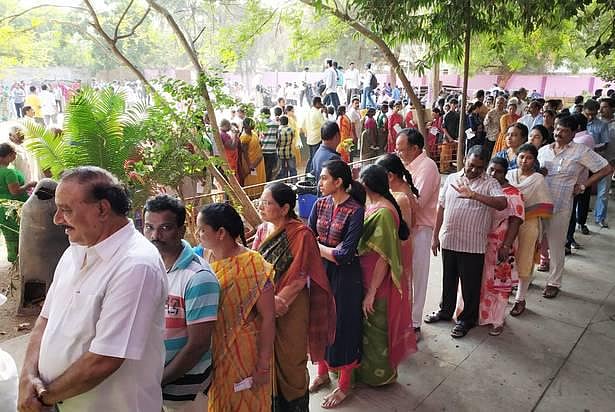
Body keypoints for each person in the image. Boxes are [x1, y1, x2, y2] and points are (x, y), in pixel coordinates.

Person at [18, 166, 167, 411]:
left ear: (102, 209)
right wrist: (27, 379)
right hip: (61, 403)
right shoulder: (73, 252)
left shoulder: (136, 265)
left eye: (66, 210)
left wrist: (43, 398)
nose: (57, 219)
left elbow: (105, 359)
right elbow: (44, 320)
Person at [252, 183, 336, 412]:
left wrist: (277, 303)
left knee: (292, 359)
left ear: (285, 208)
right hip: (266, 304)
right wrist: (266, 304)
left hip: (291, 306)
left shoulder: (301, 234)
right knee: (266, 356)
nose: (261, 207)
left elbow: (300, 277)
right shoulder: (262, 230)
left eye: (267, 203)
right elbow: (254, 267)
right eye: (260, 201)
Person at [144, 195, 219, 412]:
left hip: (184, 393)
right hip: (151, 387)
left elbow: (198, 345)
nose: (155, 236)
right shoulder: (147, 267)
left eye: (165, 228)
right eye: (149, 227)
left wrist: (156, 382)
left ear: (181, 230)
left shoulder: (198, 277)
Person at [197, 203, 275, 412]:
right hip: (213, 353)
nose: (197, 235)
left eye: (202, 230)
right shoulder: (202, 260)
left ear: (221, 233)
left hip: (246, 354)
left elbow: (268, 318)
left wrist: (263, 366)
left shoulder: (254, 265)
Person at [425, 146, 507, 338]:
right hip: (450, 239)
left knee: (470, 285)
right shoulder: (452, 178)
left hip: (473, 244)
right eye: (471, 165)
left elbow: (502, 203)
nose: (474, 170)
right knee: (448, 279)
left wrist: (474, 195)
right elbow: (441, 207)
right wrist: (435, 236)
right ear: (464, 160)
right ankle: (445, 311)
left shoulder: (490, 183)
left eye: (479, 167)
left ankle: (467, 320)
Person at [308, 160, 365, 409]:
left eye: (324, 178)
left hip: (346, 277)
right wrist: (328, 251)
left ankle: (344, 385)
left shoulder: (356, 210)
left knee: (343, 325)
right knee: (319, 321)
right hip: (320, 271)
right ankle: (321, 372)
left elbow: (344, 255)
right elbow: (308, 236)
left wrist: (318, 247)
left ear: (338, 182)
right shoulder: (319, 204)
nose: (319, 182)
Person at [537, 115, 613, 298]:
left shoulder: (580, 151)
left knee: (556, 245)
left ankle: (554, 282)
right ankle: (525, 279)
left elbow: (606, 168)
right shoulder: (544, 150)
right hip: (539, 204)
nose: (558, 133)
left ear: (573, 133)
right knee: (534, 241)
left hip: (561, 205)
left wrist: (583, 186)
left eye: (564, 131)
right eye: (557, 129)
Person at [356, 165, 416, 385]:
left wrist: (372, 291)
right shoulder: (374, 205)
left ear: (367, 184)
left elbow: (384, 257)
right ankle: (364, 372)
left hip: (377, 279)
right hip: (366, 274)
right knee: (367, 326)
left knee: (376, 327)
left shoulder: (384, 212)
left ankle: (381, 375)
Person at [394, 129, 440, 339]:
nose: (398, 153)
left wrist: (400, 188)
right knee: (405, 275)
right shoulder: (407, 165)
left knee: (418, 276)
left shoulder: (427, 167)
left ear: (415, 148)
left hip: (421, 229)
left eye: (401, 149)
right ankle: (403, 318)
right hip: (405, 228)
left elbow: (417, 202)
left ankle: (414, 323)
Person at [474, 157, 524, 335]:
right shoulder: (483, 187)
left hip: (501, 244)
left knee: (500, 283)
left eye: (499, 171)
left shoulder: (513, 194)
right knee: (479, 281)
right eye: (491, 170)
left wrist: (506, 246)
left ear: (505, 173)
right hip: (480, 242)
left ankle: (497, 320)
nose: (494, 174)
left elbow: (516, 221)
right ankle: (478, 315)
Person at [507, 144, 553, 316]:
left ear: (534, 160)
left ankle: (520, 299)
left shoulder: (538, 179)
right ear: (516, 157)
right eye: (521, 157)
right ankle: (504, 291)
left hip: (529, 224)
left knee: (524, 261)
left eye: (529, 158)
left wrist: (521, 213)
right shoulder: (509, 175)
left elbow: (546, 205)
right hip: (508, 223)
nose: (524, 161)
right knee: (507, 259)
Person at [0, 143, 36, 263]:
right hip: (13, 207)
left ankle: (13, 259)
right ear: (7, 156)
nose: (15, 156)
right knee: (20, 232)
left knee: (9, 234)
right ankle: (22, 260)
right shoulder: (8, 172)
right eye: (13, 154)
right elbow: (15, 191)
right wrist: (29, 185)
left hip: (2, 207)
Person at [583, 99, 612, 228]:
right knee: (583, 189)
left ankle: (600, 217)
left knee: (603, 191)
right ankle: (580, 218)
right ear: (584, 110)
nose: (590, 117)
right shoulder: (579, 123)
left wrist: (591, 149)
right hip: (583, 162)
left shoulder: (602, 125)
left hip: (600, 161)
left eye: (593, 114)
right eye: (588, 114)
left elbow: (605, 143)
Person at [239, 117, 265, 196]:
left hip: (258, 161)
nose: (253, 125)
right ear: (246, 126)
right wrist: (250, 165)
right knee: (252, 180)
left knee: (258, 179)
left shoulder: (254, 133)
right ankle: (252, 196)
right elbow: (244, 153)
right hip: (251, 162)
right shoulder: (245, 137)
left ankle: (258, 194)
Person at [303, 96, 326, 174]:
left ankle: (307, 173)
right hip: (317, 138)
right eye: (320, 103)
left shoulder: (308, 112)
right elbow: (324, 124)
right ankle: (312, 174)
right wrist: (325, 114)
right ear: (317, 103)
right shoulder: (317, 113)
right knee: (315, 158)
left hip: (309, 138)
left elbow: (303, 125)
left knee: (311, 157)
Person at [260, 107, 279, 182]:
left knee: (264, 169)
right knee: (270, 169)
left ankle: (264, 183)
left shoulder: (260, 124)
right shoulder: (275, 124)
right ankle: (268, 183)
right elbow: (277, 136)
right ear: (270, 114)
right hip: (272, 150)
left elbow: (259, 138)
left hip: (263, 150)